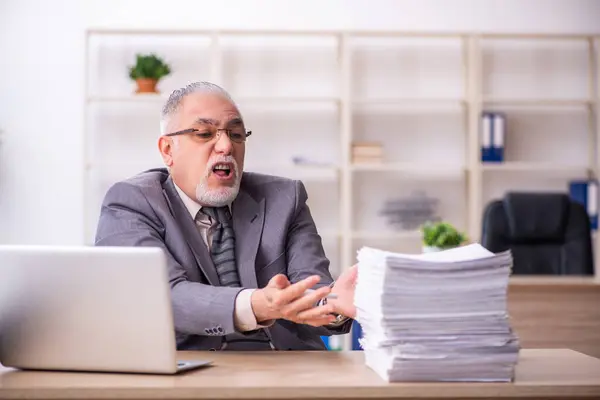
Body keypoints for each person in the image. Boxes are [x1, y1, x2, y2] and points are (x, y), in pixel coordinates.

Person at [95, 81, 357, 351]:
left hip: (286, 369)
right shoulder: (130, 203)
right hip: (190, 375)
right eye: (204, 133)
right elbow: (159, 297)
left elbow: (312, 289)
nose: (225, 146)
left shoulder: (285, 197)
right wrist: (255, 305)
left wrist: (332, 304)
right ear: (167, 150)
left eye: (236, 134)